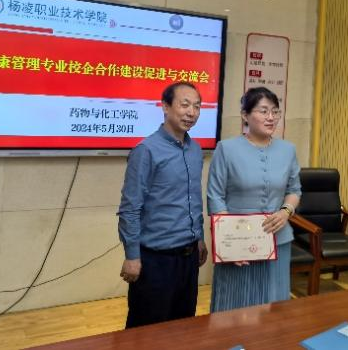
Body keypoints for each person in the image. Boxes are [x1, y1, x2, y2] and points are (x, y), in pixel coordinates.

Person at [117, 81, 208, 328]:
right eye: (185, 105)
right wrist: (132, 256)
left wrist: (199, 238)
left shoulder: (195, 150)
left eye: (197, 107)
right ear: (165, 107)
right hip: (155, 261)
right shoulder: (146, 150)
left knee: (182, 326)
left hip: (188, 258)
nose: (191, 112)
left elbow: (192, 199)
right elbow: (130, 208)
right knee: (146, 331)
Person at [207, 87, 301, 312]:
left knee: (273, 304)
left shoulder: (288, 150)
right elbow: (215, 195)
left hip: (278, 241)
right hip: (237, 243)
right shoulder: (226, 149)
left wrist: (286, 211)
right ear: (245, 115)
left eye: (275, 111)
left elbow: (294, 190)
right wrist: (230, 243)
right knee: (234, 303)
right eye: (263, 111)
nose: (271, 117)